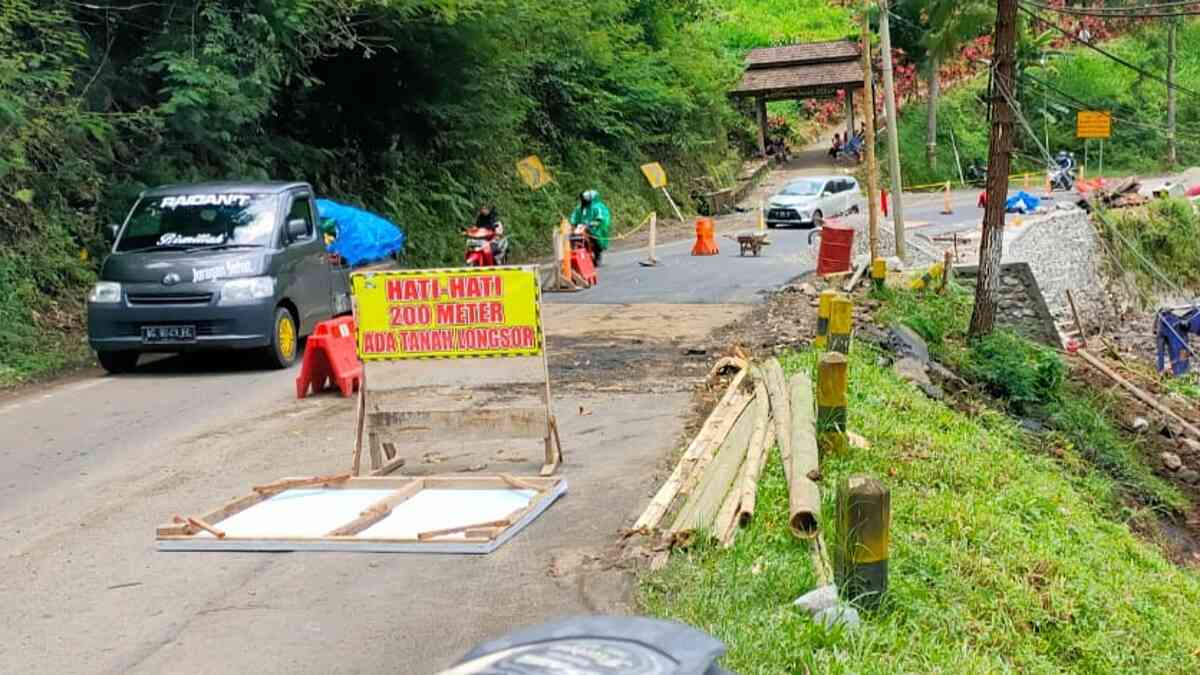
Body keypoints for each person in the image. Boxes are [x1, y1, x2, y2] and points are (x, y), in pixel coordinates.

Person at [569, 190, 611, 266]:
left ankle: (597, 254)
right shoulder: (580, 208)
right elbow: (574, 216)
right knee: (572, 236)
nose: (583, 201)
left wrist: (592, 224)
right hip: (581, 227)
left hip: (594, 227)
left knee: (595, 238)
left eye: (585, 199)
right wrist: (573, 222)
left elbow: (600, 218)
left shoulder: (597, 207)